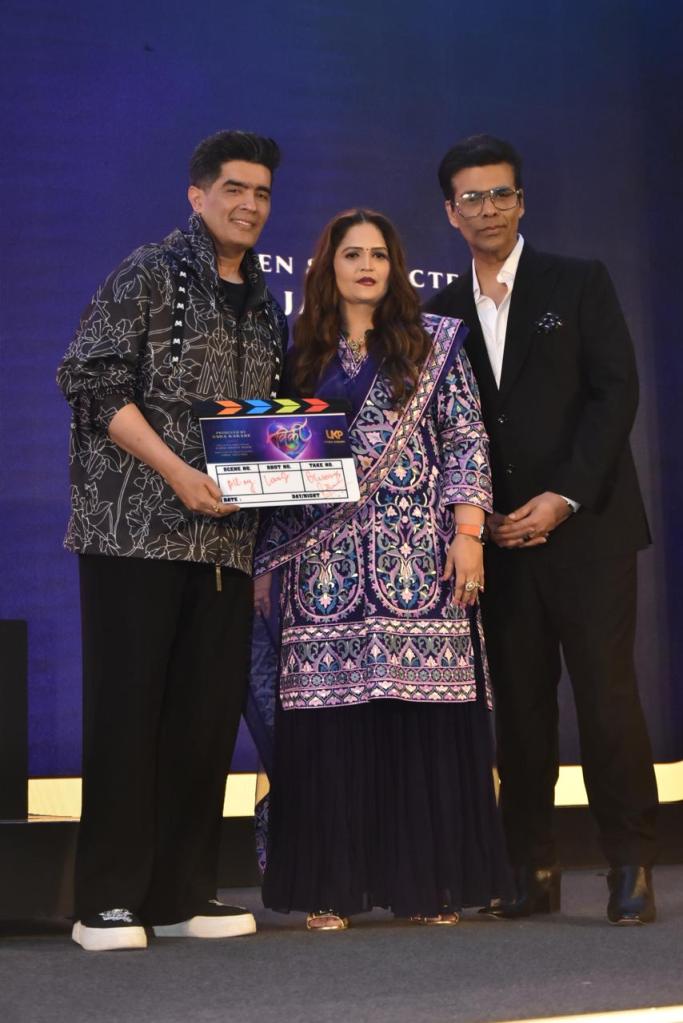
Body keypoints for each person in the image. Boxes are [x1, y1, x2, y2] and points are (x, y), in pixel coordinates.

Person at [57, 130, 287, 951]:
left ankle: (182, 891)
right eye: (234, 189)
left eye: (261, 193)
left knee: (203, 721)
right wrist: (176, 472)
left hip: (224, 545)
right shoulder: (148, 271)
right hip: (134, 533)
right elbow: (90, 380)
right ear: (197, 195)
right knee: (127, 715)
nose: (248, 205)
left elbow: (264, 427)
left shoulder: (262, 300)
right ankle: (106, 900)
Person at [250, 208, 511, 930]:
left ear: (395, 268)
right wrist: (267, 561)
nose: (366, 266)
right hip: (321, 569)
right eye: (351, 254)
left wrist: (468, 534)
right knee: (331, 722)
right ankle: (330, 887)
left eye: (379, 255)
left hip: (418, 562)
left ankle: (428, 884)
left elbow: (464, 438)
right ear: (326, 266)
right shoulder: (296, 351)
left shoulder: (433, 344)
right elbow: (272, 457)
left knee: (420, 719)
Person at [425, 134, 658, 924]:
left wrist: (562, 497)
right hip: (496, 542)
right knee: (520, 709)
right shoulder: (439, 313)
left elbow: (613, 394)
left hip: (587, 529)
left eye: (501, 194)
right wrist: (474, 513)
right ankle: (529, 866)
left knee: (605, 698)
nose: (487, 209)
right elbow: (444, 428)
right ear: (449, 213)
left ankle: (629, 863)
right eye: (471, 197)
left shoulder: (578, 281)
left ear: (520, 202)